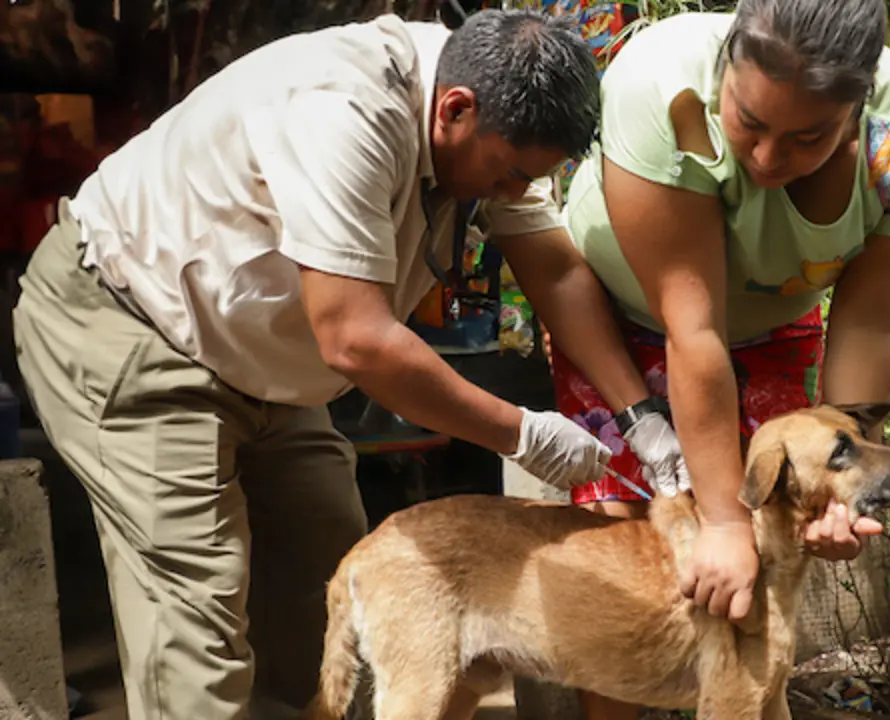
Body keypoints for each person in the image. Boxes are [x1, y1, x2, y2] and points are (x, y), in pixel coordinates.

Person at [12, 8, 686, 719]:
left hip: (265, 355)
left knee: (329, 588)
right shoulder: (346, 108)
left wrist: (639, 416)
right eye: (509, 174)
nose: (512, 192)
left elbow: (554, 272)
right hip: (133, 324)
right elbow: (357, 339)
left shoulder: (492, 115)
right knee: (198, 623)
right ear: (455, 110)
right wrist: (524, 434)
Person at [548, 0, 890, 716]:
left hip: (773, 318)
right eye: (750, 123)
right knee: (626, 571)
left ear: (856, 111)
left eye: (807, 138)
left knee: (763, 576)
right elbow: (692, 330)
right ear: (724, 67)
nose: (767, 159)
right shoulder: (660, 84)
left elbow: (868, 315)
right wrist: (726, 522)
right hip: (626, 310)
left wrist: (847, 486)